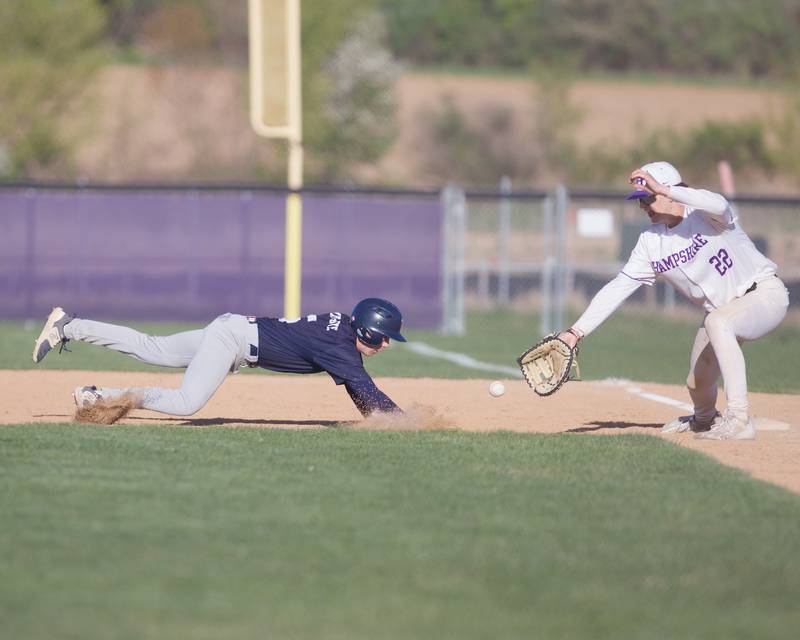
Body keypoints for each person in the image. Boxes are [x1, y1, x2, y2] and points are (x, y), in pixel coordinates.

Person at [554, 161, 789, 440]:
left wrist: (664, 189)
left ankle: (739, 419)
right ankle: (703, 419)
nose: (642, 205)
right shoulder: (650, 242)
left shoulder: (705, 215)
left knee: (717, 322)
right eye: (640, 200)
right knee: (697, 382)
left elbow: (719, 203)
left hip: (764, 295)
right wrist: (575, 332)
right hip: (722, 314)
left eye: (647, 198)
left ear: (669, 191)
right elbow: (619, 286)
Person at [31, 297, 406, 418]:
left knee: (151, 346)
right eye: (385, 338)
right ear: (367, 330)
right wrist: (401, 422)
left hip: (233, 331)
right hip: (233, 341)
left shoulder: (341, 329)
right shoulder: (339, 346)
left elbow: (360, 392)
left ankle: (69, 325)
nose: (386, 345)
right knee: (186, 403)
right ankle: (100, 397)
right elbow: (366, 394)